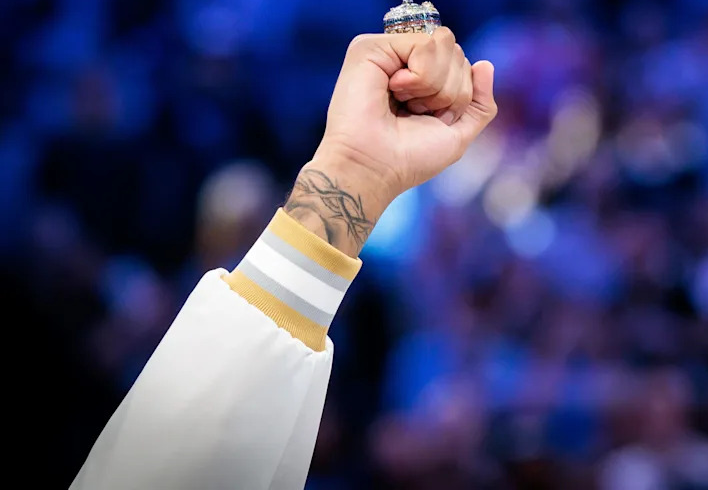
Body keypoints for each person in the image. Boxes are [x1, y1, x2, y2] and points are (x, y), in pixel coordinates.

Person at [71, 28, 498, 489]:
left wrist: (353, 176)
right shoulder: (173, 302)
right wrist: (351, 176)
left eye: (262, 225)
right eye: (237, 232)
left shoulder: (364, 300)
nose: (252, 242)